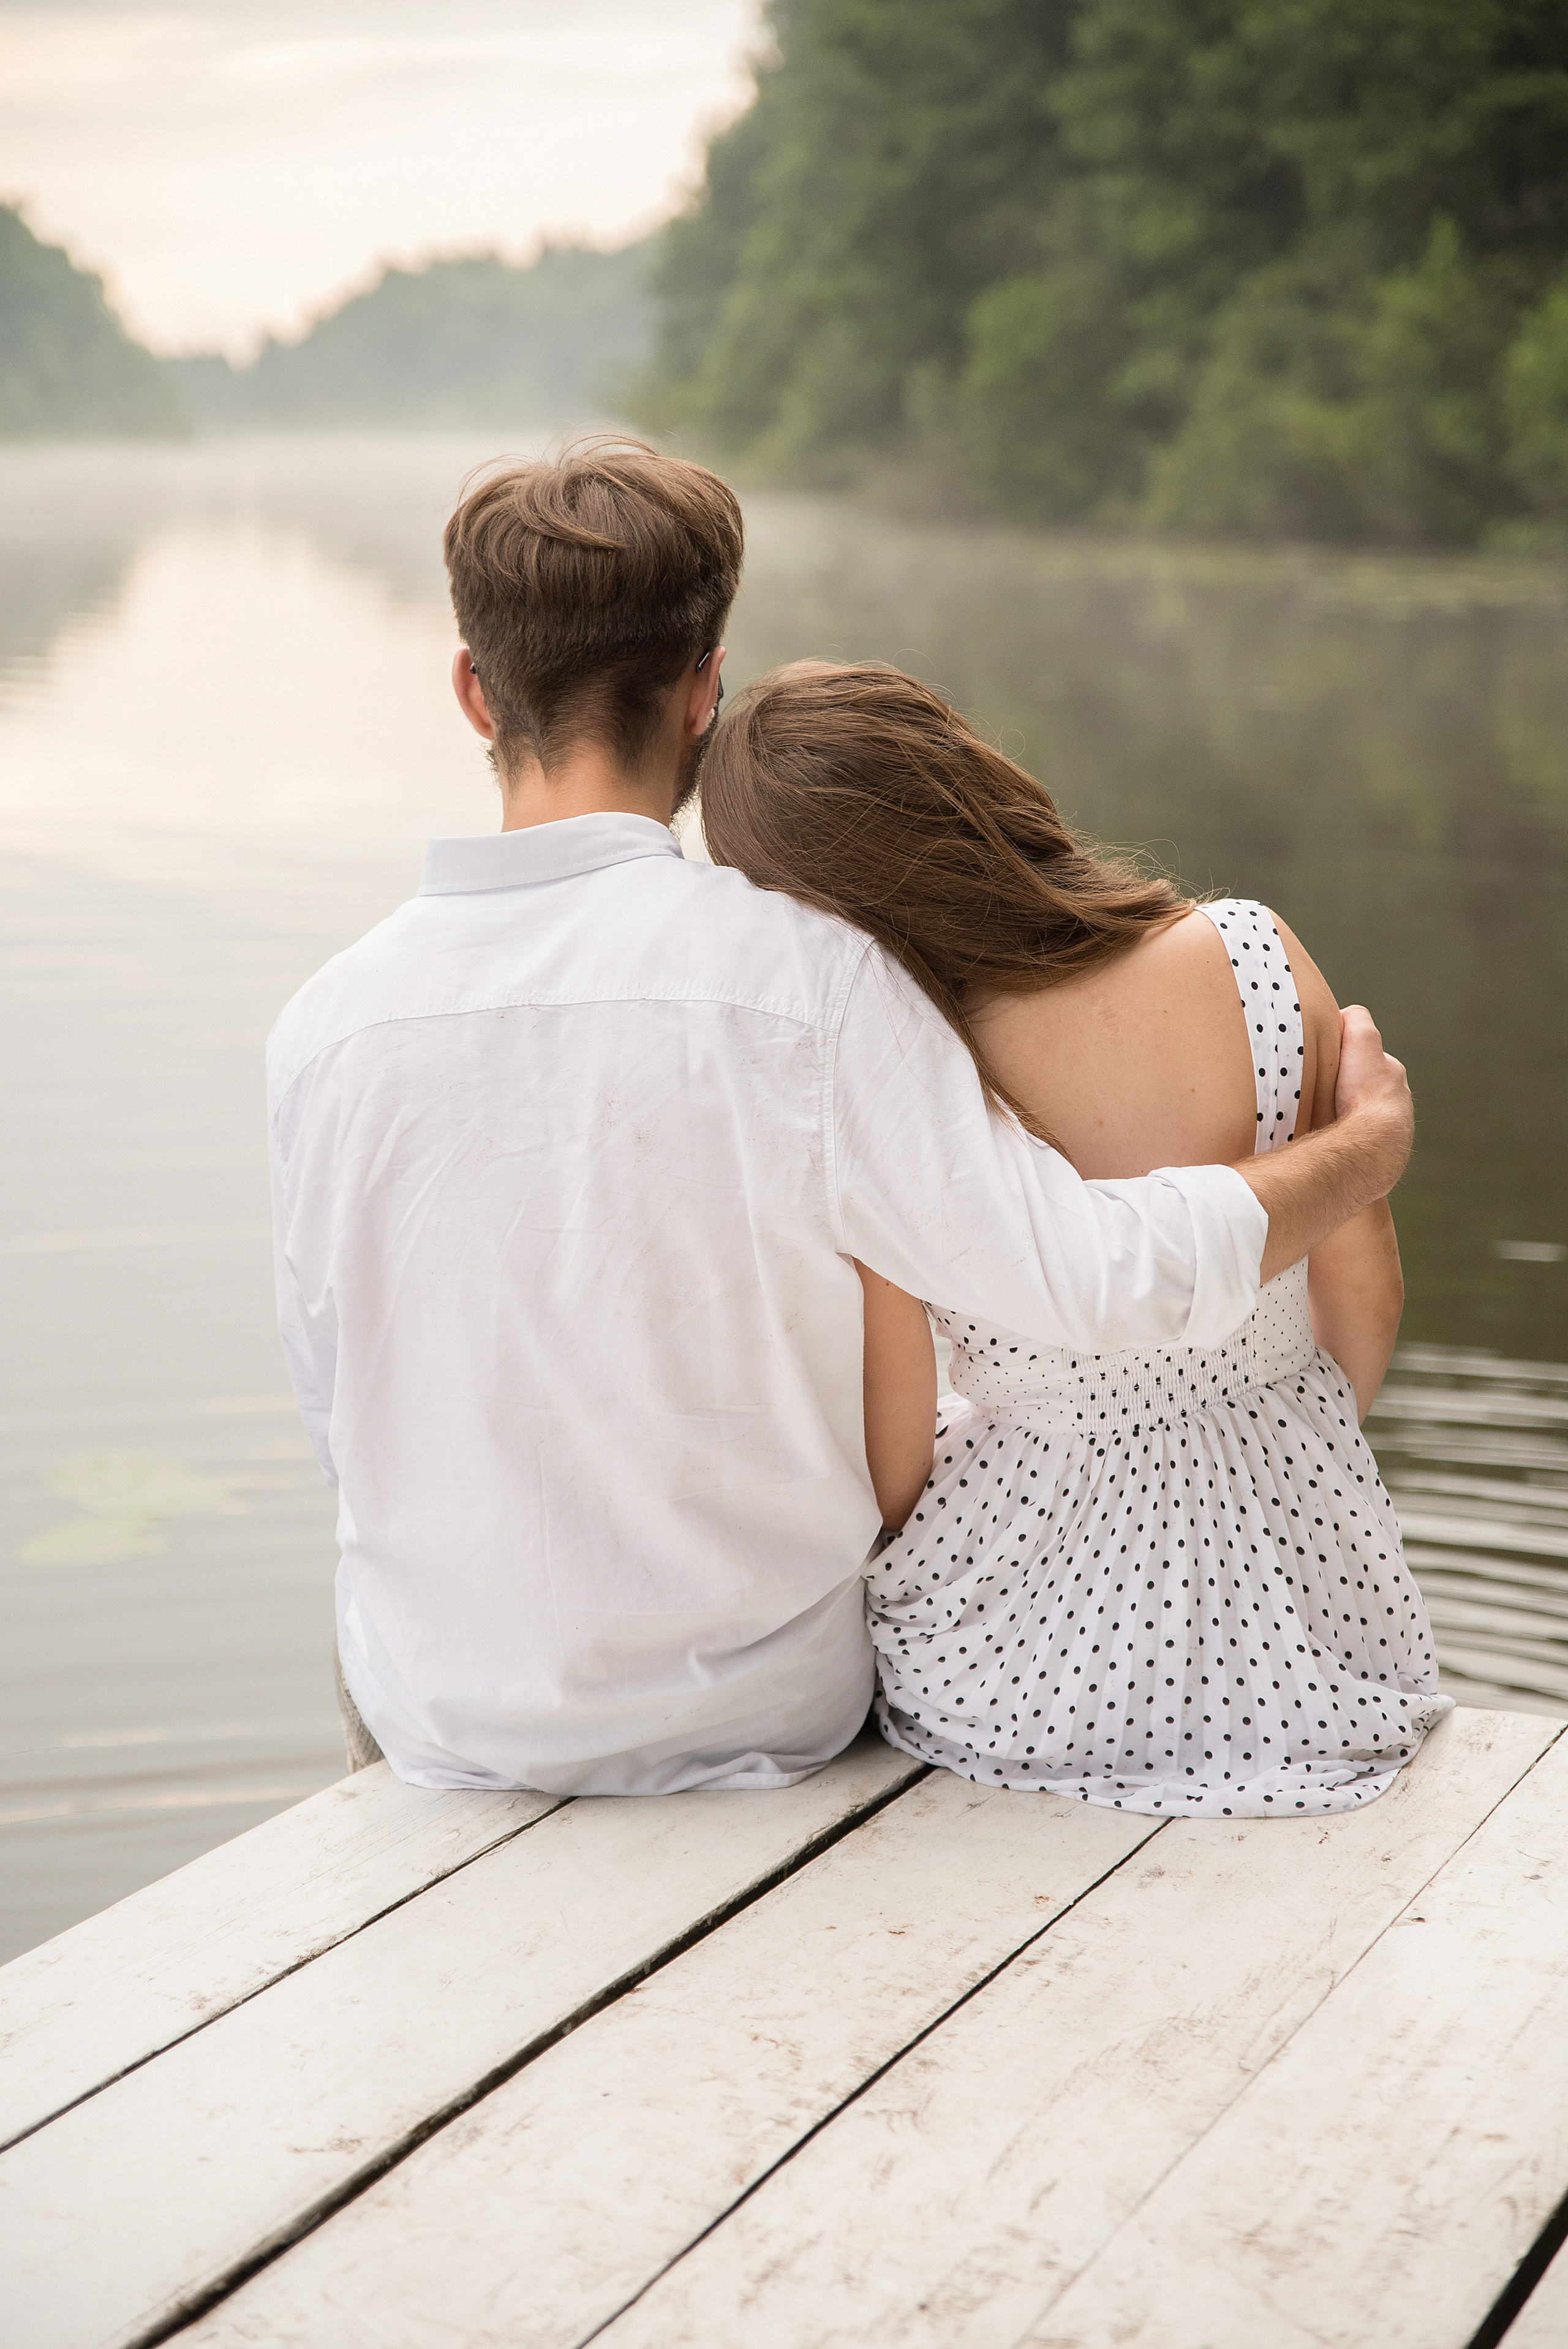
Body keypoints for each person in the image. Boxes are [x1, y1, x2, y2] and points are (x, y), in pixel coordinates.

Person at [267, 436, 1414, 1800]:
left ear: (472, 690)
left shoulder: (323, 1027)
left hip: (445, 1718)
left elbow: (341, 1409)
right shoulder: (806, 979)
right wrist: (1357, 1151)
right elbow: (1082, 1276)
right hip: (758, 1713)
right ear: (702, 693)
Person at [699, 659, 1449, 1815]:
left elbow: (893, 1461)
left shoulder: (901, 1074)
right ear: (974, 781)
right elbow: (1364, 1306)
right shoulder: (1252, 953)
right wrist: (1263, 1452)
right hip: (1309, 1629)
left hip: (1025, 1675)